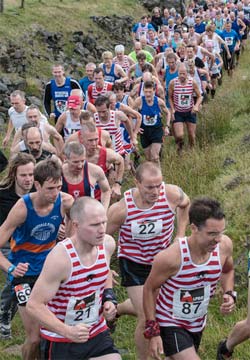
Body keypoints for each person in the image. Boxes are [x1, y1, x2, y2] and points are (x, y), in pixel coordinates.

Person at [107, 161, 190, 360]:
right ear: (137, 183)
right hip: (133, 263)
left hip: (161, 261)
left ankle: (118, 310)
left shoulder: (171, 195)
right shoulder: (122, 209)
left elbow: (185, 204)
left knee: (156, 306)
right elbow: (102, 239)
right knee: (147, 317)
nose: (155, 191)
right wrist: (105, 267)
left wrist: (180, 234)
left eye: (158, 186)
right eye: (149, 187)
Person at [27, 197, 121, 360]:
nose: (101, 229)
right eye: (94, 225)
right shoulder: (61, 258)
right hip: (61, 339)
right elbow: (34, 305)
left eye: (103, 223)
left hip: (96, 332)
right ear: (76, 225)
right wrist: (67, 331)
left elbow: (103, 272)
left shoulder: (107, 245)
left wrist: (109, 298)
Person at [143, 197, 236, 360]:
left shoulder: (223, 247)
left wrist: (229, 293)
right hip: (170, 323)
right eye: (212, 233)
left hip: (197, 324)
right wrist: (153, 331)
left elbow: (228, 271)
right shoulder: (171, 257)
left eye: (221, 232)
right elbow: (149, 289)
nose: (218, 239)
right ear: (194, 228)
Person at [0, 158, 74, 360]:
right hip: (23, 277)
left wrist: (66, 234)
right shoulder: (22, 208)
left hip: (50, 272)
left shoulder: (65, 201)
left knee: (53, 331)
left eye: (59, 187)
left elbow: (77, 232)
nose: (55, 193)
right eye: (50, 188)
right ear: (37, 184)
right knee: (34, 338)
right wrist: (10, 268)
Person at [0, 153, 35, 339]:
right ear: (14, 174)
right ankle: (4, 316)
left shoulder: (39, 193)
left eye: (31, 174)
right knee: (15, 279)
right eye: (24, 175)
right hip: (6, 245)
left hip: (33, 247)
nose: (28, 179)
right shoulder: (3, 194)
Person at [80, 122, 125, 200]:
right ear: (81, 139)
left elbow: (120, 160)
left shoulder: (106, 154)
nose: (94, 144)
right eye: (90, 140)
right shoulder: (74, 154)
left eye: (96, 139)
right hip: (81, 199)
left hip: (102, 198)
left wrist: (117, 184)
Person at [62, 141, 111, 210]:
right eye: (75, 162)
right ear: (65, 159)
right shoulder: (58, 173)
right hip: (65, 217)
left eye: (82, 161)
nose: (80, 166)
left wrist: (103, 210)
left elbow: (106, 190)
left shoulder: (95, 171)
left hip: (88, 216)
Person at [133, 80, 170, 164]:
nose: (148, 94)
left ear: (154, 91)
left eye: (150, 92)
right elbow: (131, 115)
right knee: (149, 159)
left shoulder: (159, 102)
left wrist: (167, 126)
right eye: (146, 92)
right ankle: (152, 176)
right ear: (143, 91)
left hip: (156, 130)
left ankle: (159, 176)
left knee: (155, 157)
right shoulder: (139, 101)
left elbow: (168, 113)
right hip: (144, 132)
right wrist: (135, 128)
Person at [168, 63, 203, 154]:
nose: (182, 76)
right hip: (178, 112)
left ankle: (192, 151)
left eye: (184, 73)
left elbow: (200, 96)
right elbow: (170, 97)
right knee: (179, 135)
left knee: (192, 135)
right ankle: (180, 147)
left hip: (190, 112)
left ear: (187, 73)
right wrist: (172, 109)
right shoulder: (173, 83)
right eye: (180, 73)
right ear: (177, 73)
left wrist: (196, 106)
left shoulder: (192, 82)